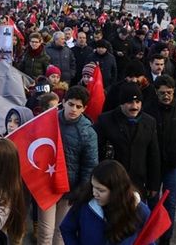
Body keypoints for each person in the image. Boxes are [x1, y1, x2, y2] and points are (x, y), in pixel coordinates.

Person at [39, 86, 98, 245]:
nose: (73, 109)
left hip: (69, 190)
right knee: (45, 232)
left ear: (84, 108)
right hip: (47, 185)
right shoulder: (49, 121)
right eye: (71, 104)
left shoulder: (87, 132)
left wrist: (79, 192)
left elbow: (90, 166)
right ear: (63, 102)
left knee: (61, 231)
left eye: (79, 107)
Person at [143, 75, 176, 245]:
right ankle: (150, 235)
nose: (166, 96)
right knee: (152, 200)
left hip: (173, 164)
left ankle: (166, 238)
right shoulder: (148, 109)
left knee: (170, 203)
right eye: (162, 93)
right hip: (152, 165)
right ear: (156, 92)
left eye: (169, 93)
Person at [60, 160, 151, 245]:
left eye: (101, 190)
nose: (94, 193)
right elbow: (66, 228)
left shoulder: (139, 210)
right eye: (93, 186)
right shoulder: (85, 203)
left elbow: (149, 239)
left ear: (116, 191)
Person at [94, 83, 160, 199]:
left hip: (138, 183)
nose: (134, 106)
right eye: (130, 102)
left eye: (138, 102)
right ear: (121, 103)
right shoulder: (105, 121)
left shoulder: (149, 122)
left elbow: (153, 154)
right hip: (111, 182)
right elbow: (96, 151)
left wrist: (154, 184)